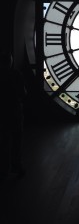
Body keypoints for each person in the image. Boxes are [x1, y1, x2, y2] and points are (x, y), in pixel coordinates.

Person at [0, 51, 27, 180]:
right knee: (16, 141)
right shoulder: (16, 75)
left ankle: (3, 168)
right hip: (15, 111)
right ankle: (16, 165)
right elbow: (23, 93)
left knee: (4, 141)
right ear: (10, 61)